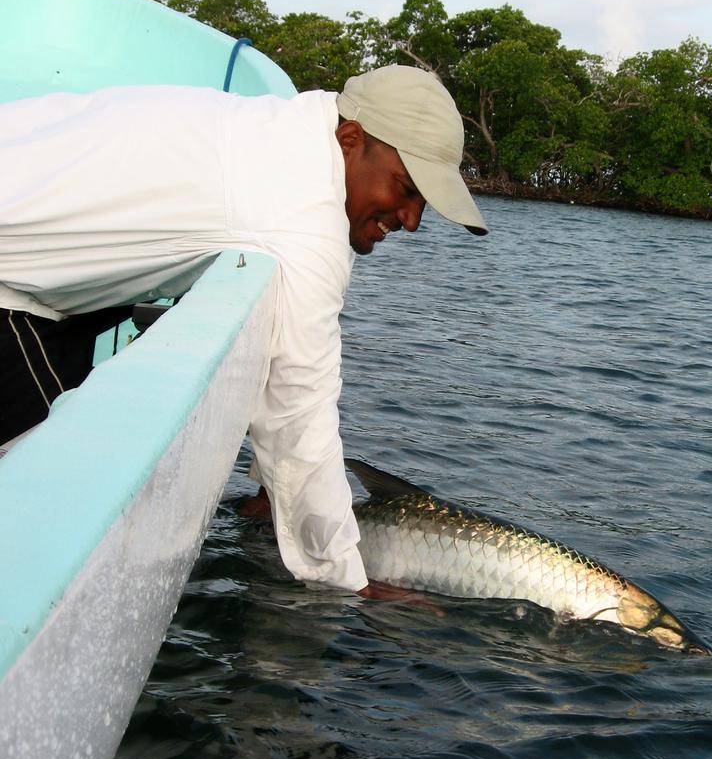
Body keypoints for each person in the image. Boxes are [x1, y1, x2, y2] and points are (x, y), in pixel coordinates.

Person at [0, 64, 488, 596]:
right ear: (350, 140)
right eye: (406, 187)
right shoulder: (305, 215)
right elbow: (300, 410)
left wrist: (272, 492)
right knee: (51, 534)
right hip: (12, 284)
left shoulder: (272, 129)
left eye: (424, 203)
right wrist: (346, 583)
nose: (413, 220)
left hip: (45, 282)